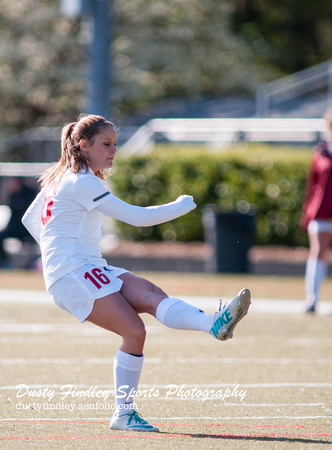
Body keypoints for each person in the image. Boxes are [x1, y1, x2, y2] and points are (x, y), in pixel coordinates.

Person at [22, 113, 251, 432]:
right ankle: (124, 414)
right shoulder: (82, 181)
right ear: (83, 145)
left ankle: (213, 323)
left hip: (85, 266)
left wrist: (56, 249)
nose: (113, 149)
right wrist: (182, 205)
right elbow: (136, 217)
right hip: (73, 272)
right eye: (106, 144)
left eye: (115, 143)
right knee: (135, 332)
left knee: (150, 294)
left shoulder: (62, 176)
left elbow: (30, 220)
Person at [301, 108, 332, 313]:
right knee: (318, 252)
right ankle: (312, 300)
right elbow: (312, 186)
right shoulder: (320, 153)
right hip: (322, 211)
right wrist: (307, 213)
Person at [0, 177, 36, 268]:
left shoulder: (29, 194)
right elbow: (13, 216)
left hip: (27, 228)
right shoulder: (13, 195)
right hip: (16, 228)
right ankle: (4, 262)